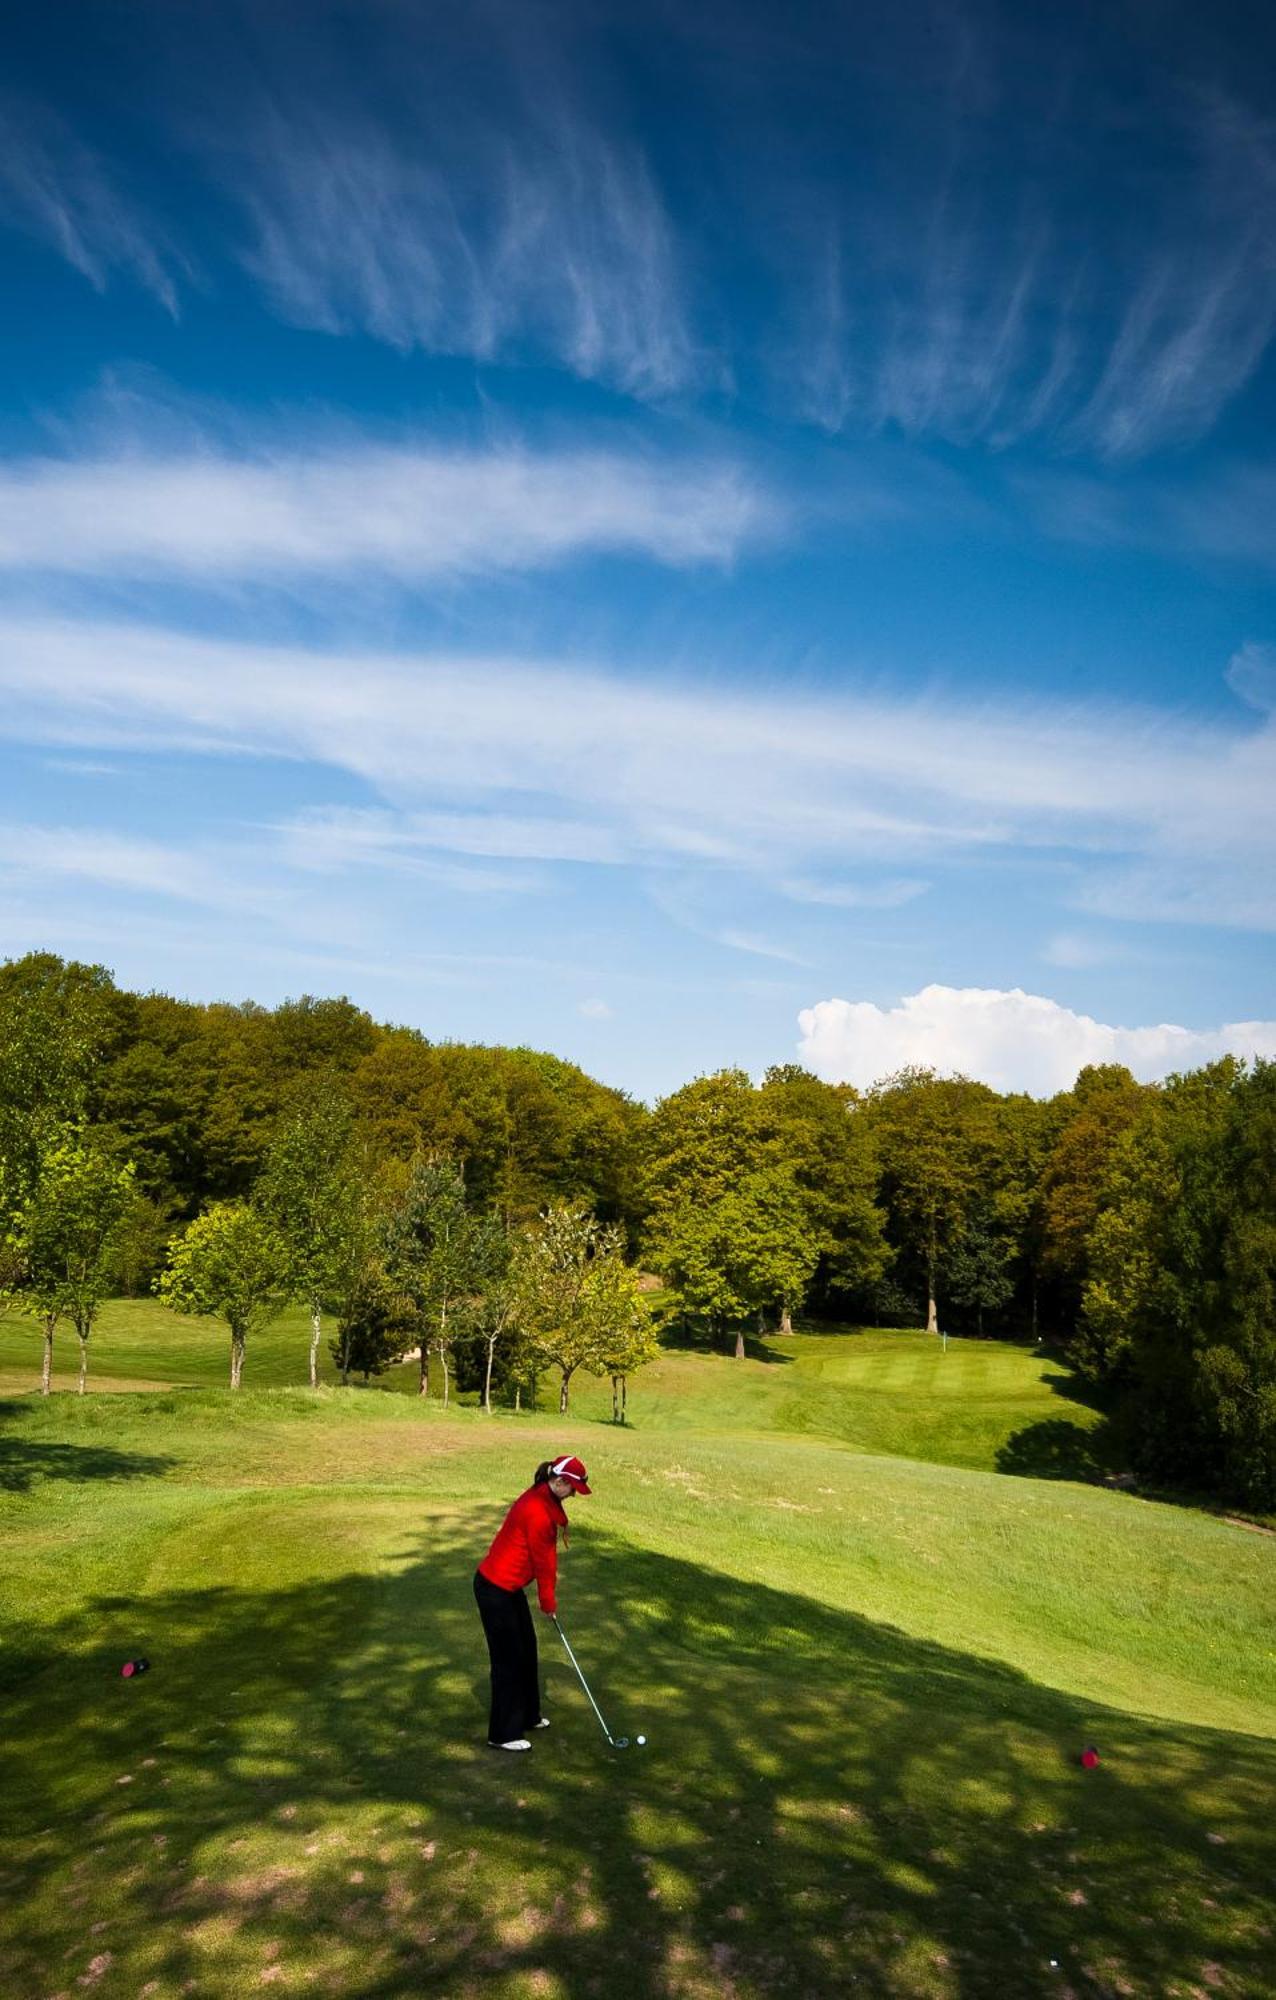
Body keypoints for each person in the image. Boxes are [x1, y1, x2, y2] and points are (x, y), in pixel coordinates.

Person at [473, 1454, 591, 1751]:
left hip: (508, 1588)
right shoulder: (537, 1511)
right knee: (508, 1660)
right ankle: (502, 1734)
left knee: (527, 1649)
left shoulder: (544, 1495)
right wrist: (548, 1602)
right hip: (495, 1588)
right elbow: (544, 1563)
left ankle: (528, 1715)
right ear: (558, 1481)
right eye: (572, 1487)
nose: (574, 1493)